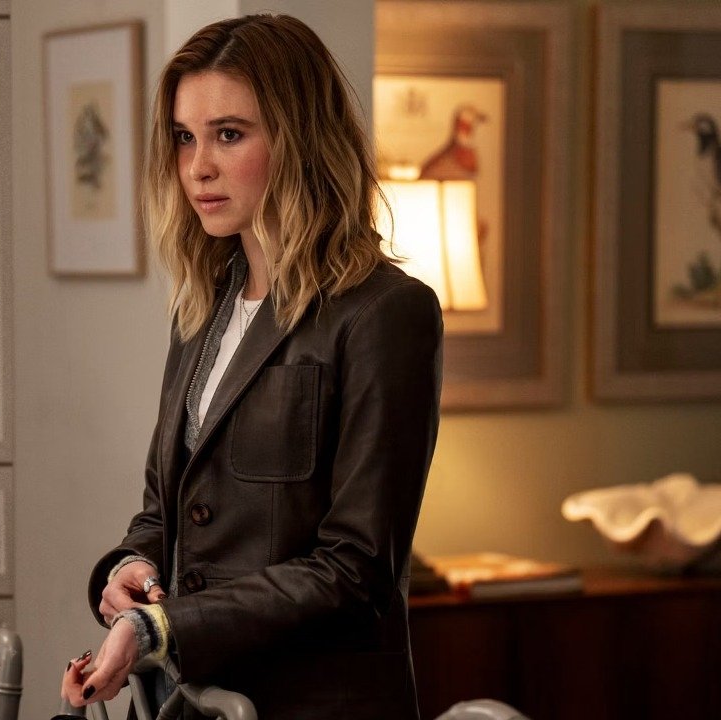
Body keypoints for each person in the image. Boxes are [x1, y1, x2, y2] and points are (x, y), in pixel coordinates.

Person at [61, 13, 442, 719]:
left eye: (229, 134)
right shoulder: (202, 307)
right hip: (190, 701)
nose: (198, 166)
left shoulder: (387, 313)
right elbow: (165, 511)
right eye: (184, 137)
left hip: (314, 707)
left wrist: (164, 628)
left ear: (300, 139)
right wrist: (131, 568)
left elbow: (357, 568)